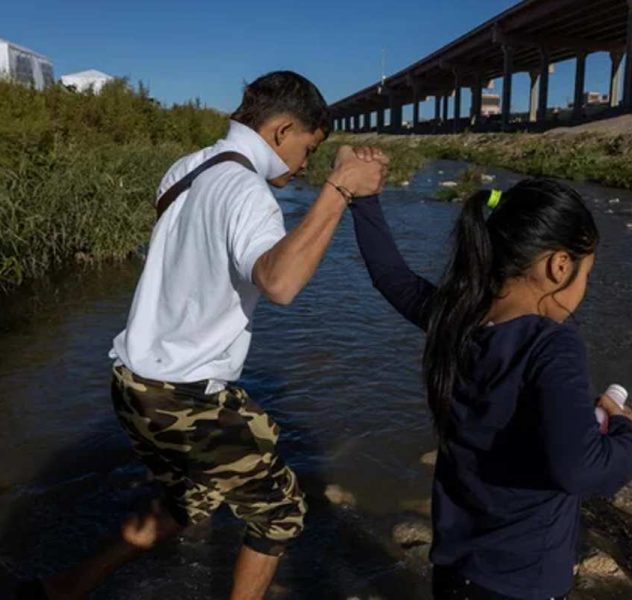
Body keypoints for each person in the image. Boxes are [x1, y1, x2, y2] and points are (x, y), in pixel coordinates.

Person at [25, 72, 388, 600]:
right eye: (308, 149)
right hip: (179, 395)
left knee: (186, 502)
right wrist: (339, 190)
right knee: (281, 513)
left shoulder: (188, 167)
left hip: (132, 381)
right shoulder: (247, 190)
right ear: (282, 129)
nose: (305, 165)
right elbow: (280, 283)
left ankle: (64, 588)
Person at [349, 172, 632, 600]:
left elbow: (390, 275)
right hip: (522, 583)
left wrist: (364, 200)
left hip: (454, 570)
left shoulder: (456, 320)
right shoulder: (551, 344)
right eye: (586, 276)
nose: (583, 290)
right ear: (559, 265)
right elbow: (581, 471)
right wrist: (627, 436)